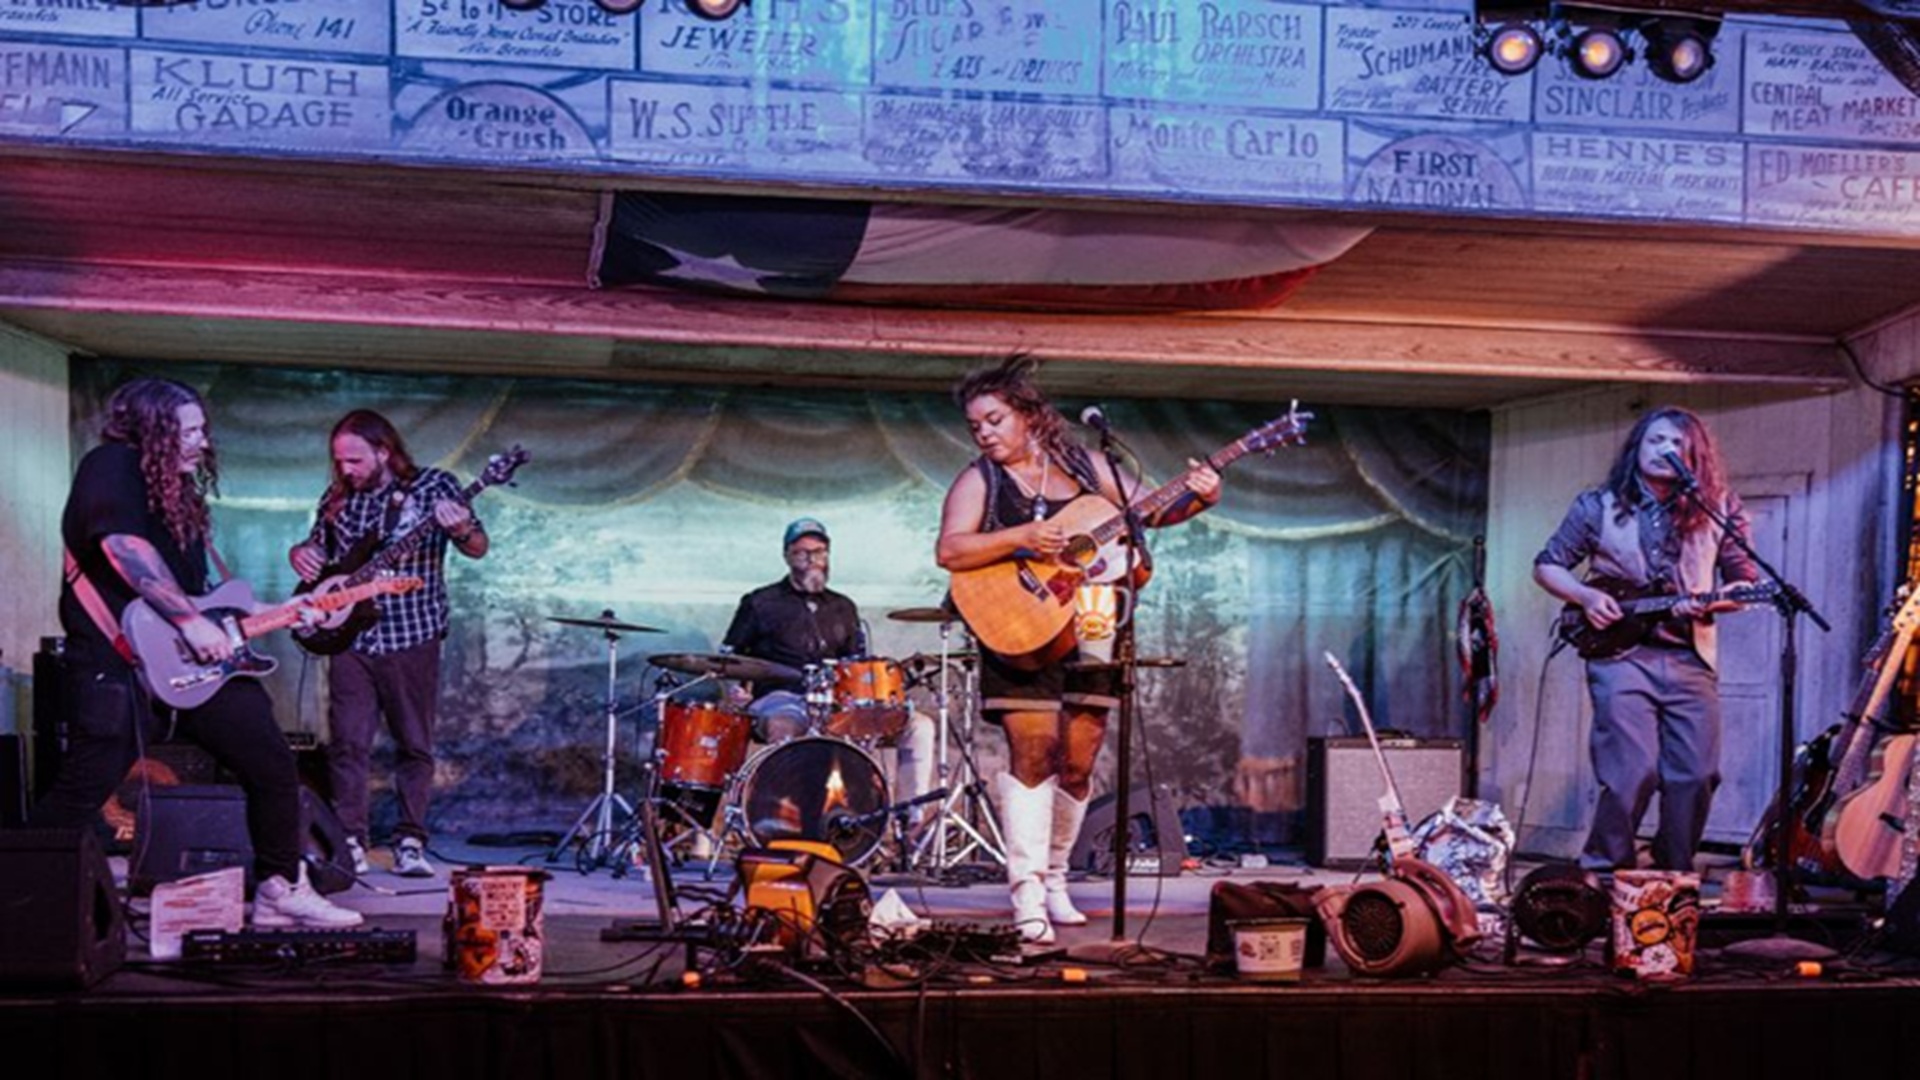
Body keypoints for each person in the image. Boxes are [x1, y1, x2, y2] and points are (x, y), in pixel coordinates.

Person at [34, 378, 361, 928]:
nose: (201, 441)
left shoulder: (176, 494)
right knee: (86, 783)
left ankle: (281, 887)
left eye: (202, 429)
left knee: (272, 763)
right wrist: (187, 620)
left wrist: (287, 609)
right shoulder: (111, 465)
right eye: (188, 431)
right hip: (116, 659)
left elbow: (208, 604)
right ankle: (22, 893)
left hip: (192, 664)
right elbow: (123, 548)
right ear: (152, 432)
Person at [935, 355, 1220, 943]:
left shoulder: (1088, 466)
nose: (984, 433)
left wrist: (1202, 496)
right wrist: (1021, 536)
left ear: (1031, 417)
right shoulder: (979, 480)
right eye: (976, 426)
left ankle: (1058, 878)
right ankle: (1027, 892)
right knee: (1033, 751)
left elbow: (1154, 511)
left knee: (1080, 756)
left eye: (994, 419)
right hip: (1018, 626)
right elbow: (951, 551)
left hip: (1092, 621)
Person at [1533, 406, 1758, 872]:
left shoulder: (1719, 508)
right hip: (1620, 655)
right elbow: (1548, 564)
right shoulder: (1596, 505)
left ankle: (1671, 874)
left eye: (1677, 444)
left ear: (1695, 455)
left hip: (1689, 657)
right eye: (1655, 441)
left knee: (1696, 775)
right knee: (1630, 773)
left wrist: (1712, 602)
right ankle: (1604, 872)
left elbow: (1743, 583)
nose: (1665, 451)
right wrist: (1586, 596)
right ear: (1637, 447)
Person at [288, 410, 489, 878]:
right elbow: (317, 556)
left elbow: (478, 546)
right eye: (339, 461)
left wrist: (459, 528)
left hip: (411, 633)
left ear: (384, 451)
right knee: (348, 745)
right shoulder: (337, 498)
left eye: (355, 460)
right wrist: (301, 554)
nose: (345, 470)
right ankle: (351, 840)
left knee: (414, 745)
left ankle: (411, 841)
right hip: (349, 638)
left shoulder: (434, 487)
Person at [721, 518, 937, 803]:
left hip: (835, 703)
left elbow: (855, 664)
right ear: (786, 556)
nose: (813, 561)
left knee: (920, 727)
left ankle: (910, 821)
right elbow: (727, 658)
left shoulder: (843, 607)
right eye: (802, 553)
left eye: (820, 552)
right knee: (785, 725)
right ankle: (789, 817)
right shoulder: (760, 602)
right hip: (781, 698)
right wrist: (734, 692)